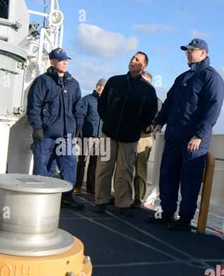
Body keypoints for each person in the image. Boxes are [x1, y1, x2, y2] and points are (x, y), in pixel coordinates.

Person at [151, 38, 224, 230]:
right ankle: (167, 213)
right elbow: (170, 101)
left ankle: (184, 219)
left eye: (192, 50)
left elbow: (213, 108)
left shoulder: (211, 77)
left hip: (194, 140)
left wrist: (199, 135)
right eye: (187, 50)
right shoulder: (183, 77)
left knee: (189, 180)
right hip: (174, 136)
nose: (188, 53)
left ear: (204, 53)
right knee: (168, 175)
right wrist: (159, 121)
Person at [94, 52, 158, 216]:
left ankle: (122, 204)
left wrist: (137, 126)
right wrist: (107, 119)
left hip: (130, 137)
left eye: (137, 59)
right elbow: (102, 105)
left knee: (125, 171)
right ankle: (101, 201)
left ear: (143, 66)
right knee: (104, 168)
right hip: (109, 133)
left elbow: (150, 113)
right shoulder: (115, 81)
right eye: (132, 58)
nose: (132, 60)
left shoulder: (148, 90)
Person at [26, 47, 84, 210]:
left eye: (66, 60)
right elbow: (34, 106)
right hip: (46, 133)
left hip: (66, 135)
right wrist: (37, 127)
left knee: (69, 165)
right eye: (61, 60)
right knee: (42, 167)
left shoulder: (74, 84)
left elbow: (78, 107)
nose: (65, 63)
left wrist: (77, 127)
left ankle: (67, 197)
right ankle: (39, 197)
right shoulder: (43, 81)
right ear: (52, 62)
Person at [132, 71, 162, 207]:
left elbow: (156, 120)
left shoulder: (155, 100)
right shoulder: (132, 95)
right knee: (124, 168)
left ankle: (138, 197)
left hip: (143, 138)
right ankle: (123, 196)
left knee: (140, 169)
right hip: (128, 136)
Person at [75, 78, 106, 196]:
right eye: (99, 85)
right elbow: (81, 116)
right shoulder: (87, 99)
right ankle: (77, 186)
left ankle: (90, 187)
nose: (101, 88)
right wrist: (80, 131)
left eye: (103, 86)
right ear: (96, 86)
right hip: (87, 136)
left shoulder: (106, 102)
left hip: (100, 136)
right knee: (82, 161)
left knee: (94, 163)